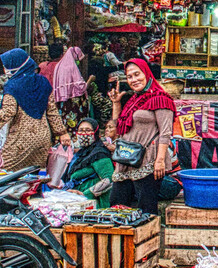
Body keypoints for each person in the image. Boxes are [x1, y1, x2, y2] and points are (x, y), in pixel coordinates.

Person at [0, 48, 71, 171]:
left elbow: (8, 111)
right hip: (42, 139)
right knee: (34, 174)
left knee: (3, 172)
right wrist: (62, 133)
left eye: (6, 66)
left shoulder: (12, 86)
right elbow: (52, 112)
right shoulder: (43, 82)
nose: (5, 69)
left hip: (20, 140)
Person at [108, 58, 174, 214]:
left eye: (137, 74)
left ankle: (148, 237)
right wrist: (116, 103)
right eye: (129, 76)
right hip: (126, 159)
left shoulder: (161, 99)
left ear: (146, 73)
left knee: (146, 206)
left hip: (148, 161)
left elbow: (165, 133)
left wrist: (159, 161)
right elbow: (119, 127)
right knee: (117, 203)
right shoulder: (133, 100)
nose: (134, 80)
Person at [64, 118, 114, 203]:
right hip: (77, 199)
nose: (84, 134)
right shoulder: (81, 154)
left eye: (88, 130)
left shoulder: (99, 153)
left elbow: (109, 179)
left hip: (93, 202)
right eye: (81, 130)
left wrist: (86, 194)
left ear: (95, 132)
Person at [51, 45, 90, 130]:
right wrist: (90, 80)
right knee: (76, 123)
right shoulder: (72, 67)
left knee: (65, 121)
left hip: (62, 100)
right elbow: (81, 87)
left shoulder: (59, 66)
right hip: (73, 101)